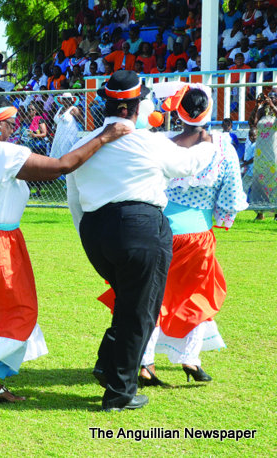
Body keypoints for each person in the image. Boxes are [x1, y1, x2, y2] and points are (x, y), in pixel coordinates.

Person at [0, 95, 131, 405]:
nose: (16, 127)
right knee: (3, 310)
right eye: (12, 122)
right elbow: (60, 166)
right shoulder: (3, 153)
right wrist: (104, 138)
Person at [66, 71, 215, 412]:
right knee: (140, 313)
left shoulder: (82, 143)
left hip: (95, 229)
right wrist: (207, 144)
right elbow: (188, 165)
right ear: (137, 107)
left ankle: (109, 366)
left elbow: (74, 199)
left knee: (128, 303)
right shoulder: (149, 141)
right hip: (140, 227)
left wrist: (87, 235)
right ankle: (119, 393)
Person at [99, 83, 248, 386]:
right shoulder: (222, 149)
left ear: (178, 112)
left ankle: (145, 361)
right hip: (196, 235)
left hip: (156, 229)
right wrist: (219, 218)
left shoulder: (162, 142)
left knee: (152, 297)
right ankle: (190, 359)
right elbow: (231, 197)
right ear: (209, 112)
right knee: (197, 297)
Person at [250, 92, 277, 220]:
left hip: (273, 151)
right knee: (260, 180)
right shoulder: (262, 112)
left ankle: (275, 211)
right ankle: (260, 212)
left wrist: (272, 105)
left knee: (274, 179)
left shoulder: (275, 111)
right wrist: (257, 106)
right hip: (260, 151)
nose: (270, 99)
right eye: (269, 97)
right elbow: (252, 124)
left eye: (273, 97)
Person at [50, 93, 83, 160]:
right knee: (56, 157)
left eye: (68, 99)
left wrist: (83, 134)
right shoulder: (60, 109)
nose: (66, 101)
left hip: (69, 136)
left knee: (68, 156)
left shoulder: (73, 109)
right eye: (64, 99)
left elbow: (82, 121)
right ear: (62, 100)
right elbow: (56, 123)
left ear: (71, 100)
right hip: (59, 136)